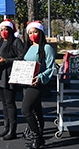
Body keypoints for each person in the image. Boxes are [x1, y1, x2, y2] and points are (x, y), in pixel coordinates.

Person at [20, 21, 55, 149]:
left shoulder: (47, 48)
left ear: (41, 33)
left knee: (25, 109)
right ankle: (40, 137)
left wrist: (40, 78)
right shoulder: (28, 48)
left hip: (38, 84)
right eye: (30, 33)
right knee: (36, 110)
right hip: (27, 82)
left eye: (35, 32)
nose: (32, 35)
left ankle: (36, 137)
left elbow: (50, 68)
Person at [0, 19, 24, 140]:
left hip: (9, 75)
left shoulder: (16, 42)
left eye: (6, 29)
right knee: (4, 103)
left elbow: (21, 58)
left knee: (10, 103)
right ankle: (6, 127)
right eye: (2, 30)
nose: (4, 32)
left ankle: (13, 130)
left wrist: (7, 61)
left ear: (11, 30)